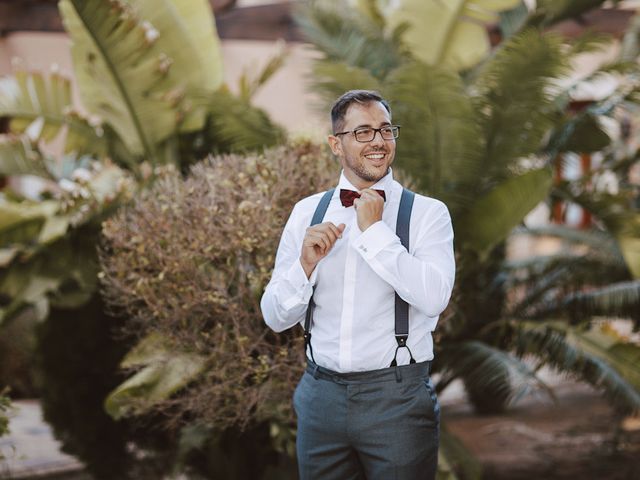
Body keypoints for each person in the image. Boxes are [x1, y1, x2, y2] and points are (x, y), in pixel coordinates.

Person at [261, 90, 455, 480]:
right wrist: (305, 265)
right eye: (363, 132)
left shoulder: (427, 214)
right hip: (320, 396)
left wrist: (376, 232)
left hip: (397, 399)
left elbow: (434, 298)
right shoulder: (307, 213)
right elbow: (275, 317)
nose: (379, 141)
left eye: (385, 130)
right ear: (336, 144)